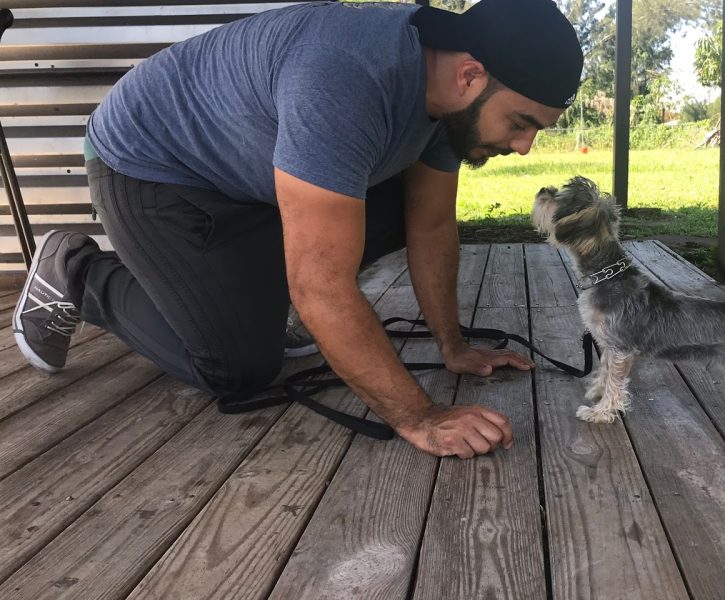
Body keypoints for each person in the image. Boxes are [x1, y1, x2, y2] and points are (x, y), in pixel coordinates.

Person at [11, 0, 583, 459]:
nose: (523, 146)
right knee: (236, 369)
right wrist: (420, 418)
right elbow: (320, 283)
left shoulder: (448, 101)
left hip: (249, 171)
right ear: (470, 75)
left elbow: (430, 227)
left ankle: (257, 306)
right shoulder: (346, 79)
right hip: (152, 166)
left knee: (393, 213)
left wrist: (452, 346)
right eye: (521, 122)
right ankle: (80, 273)